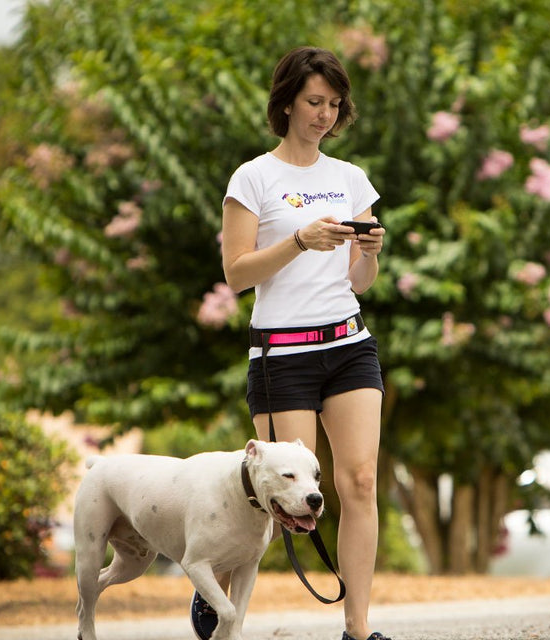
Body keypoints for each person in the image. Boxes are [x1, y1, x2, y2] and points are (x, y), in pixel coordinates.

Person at [191, 46, 388, 640]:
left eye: (333, 104)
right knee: (271, 494)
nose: (324, 114)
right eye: (313, 102)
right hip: (283, 355)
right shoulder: (253, 178)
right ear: (286, 103)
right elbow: (236, 273)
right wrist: (300, 240)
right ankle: (213, 587)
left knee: (358, 482)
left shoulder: (350, 179)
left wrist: (370, 255)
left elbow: (357, 281)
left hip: (349, 345)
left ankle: (357, 629)